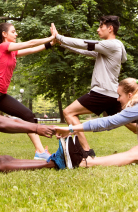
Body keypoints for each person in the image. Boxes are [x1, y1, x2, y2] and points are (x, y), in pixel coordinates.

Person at [50, 16, 127, 158]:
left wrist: (59, 36)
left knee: (68, 112)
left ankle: (86, 152)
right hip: (112, 94)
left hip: (102, 93)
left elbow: (84, 44)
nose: (98, 30)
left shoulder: (112, 45)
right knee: (130, 122)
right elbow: (83, 50)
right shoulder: (108, 48)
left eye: (101, 27)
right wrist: (60, 43)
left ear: (110, 29)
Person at [0, 22, 56, 160]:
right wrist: (50, 37)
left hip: (0, 95)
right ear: (4, 34)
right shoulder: (2, 46)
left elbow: (32, 50)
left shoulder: (12, 52)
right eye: (13, 32)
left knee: (28, 115)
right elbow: (30, 43)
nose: (16, 34)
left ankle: (40, 152)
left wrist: (51, 43)